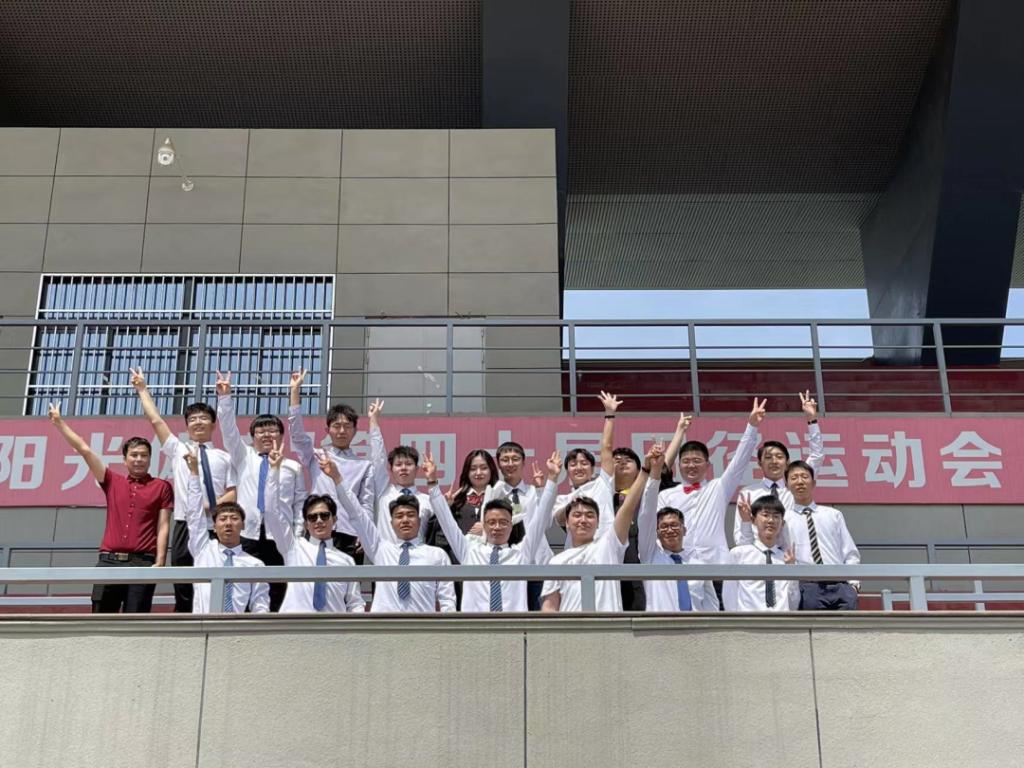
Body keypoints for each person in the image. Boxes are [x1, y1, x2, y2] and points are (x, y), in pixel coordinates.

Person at [48, 402, 172, 613]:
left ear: (150, 459)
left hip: (143, 563)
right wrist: (59, 423)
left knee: (136, 621)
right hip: (109, 561)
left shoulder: (161, 486)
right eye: (134, 455)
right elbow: (85, 450)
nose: (139, 459)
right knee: (100, 620)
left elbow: (163, 526)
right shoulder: (112, 481)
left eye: (144, 455)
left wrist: (160, 561)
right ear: (125, 460)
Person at [131, 366, 237, 613]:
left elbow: (234, 492)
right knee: (184, 582)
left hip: (216, 526)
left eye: (203, 418)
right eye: (192, 419)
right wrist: (142, 389)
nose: (198, 422)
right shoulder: (178, 449)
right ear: (187, 426)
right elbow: (156, 420)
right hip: (185, 525)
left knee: (216, 581)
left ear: (213, 424)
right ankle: (185, 619)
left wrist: (211, 507)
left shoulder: (225, 457)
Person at [215, 371, 306, 611]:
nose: (267, 435)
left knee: (278, 590)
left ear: (281, 436)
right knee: (244, 588)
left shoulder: (293, 467)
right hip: (248, 534)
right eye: (261, 431)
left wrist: (297, 534)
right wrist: (225, 398)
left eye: (273, 430)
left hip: (281, 537)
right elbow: (228, 430)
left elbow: (299, 504)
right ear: (252, 436)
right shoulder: (243, 457)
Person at [425, 451, 559, 612]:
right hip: (475, 624)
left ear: (511, 526)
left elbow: (541, 517)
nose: (497, 527)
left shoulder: (521, 554)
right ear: (484, 525)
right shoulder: (469, 551)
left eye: (503, 522)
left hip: (512, 625)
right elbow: (446, 521)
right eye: (491, 522)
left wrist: (552, 479)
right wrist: (432, 482)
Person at [540, 444, 662, 613]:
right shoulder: (556, 562)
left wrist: (646, 470)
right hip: (570, 628)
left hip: (608, 627)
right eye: (577, 515)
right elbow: (550, 607)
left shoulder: (609, 546)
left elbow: (628, 506)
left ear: (598, 523)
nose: (583, 520)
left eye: (590, 515)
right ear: (566, 523)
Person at [333, 458, 455, 613]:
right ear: (391, 523)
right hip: (384, 625)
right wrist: (337, 479)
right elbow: (356, 513)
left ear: (419, 520)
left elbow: (447, 600)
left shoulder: (437, 555)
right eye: (399, 516)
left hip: (422, 625)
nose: (405, 520)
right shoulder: (380, 549)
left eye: (410, 515)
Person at [655, 398, 766, 565]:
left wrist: (752, 426)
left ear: (708, 464)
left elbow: (739, 461)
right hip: (678, 565)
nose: (691, 465)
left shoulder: (718, 488)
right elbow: (657, 531)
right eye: (686, 461)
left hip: (716, 565)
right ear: (678, 465)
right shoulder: (666, 496)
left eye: (697, 461)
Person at [262, 442, 364, 613]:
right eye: (312, 517)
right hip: (297, 624)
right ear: (306, 523)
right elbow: (272, 512)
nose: (319, 521)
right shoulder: (293, 547)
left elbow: (355, 603)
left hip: (333, 627)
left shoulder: (346, 561)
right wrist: (274, 470)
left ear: (334, 519)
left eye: (324, 516)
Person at [287, 368, 375, 560]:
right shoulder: (316, 455)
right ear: (328, 430)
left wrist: (365, 532)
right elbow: (297, 435)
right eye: (336, 426)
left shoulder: (364, 465)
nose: (342, 431)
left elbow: (366, 503)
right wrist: (295, 392)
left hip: (350, 533)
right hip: (317, 528)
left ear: (355, 430)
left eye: (347, 426)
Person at [183, 448, 269, 614]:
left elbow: (260, 604)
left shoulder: (254, 564)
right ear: (214, 527)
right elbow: (194, 515)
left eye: (234, 518)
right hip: (204, 624)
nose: (228, 523)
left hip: (237, 626)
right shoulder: (203, 550)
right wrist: (194, 473)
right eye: (222, 519)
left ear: (243, 525)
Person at [733, 391, 824, 548]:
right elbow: (740, 536)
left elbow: (817, 456)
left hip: (793, 556)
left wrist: (812, 420)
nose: (774, 461)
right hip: (758, 557)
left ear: (787, 462)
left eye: (779, 457)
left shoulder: (795, 488)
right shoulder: (748, 493)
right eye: (768, 457)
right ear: (759, 463)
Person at [637, 446, 718, 611]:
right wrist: (655, 472)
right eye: (664, 527)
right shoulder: (651, 556)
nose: (669, 530)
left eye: (674, 525)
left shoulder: (698, 564)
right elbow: (647, 514)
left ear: (684, 530)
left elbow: (711, 604)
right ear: (656, 532)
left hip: (696, 625)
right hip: (660, 625)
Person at [484, 440, 552, 610]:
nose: (510, 463)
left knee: (538, 614)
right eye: (505, 459)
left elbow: (547, 522)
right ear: (498, 464)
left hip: (537, 563)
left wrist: (541, 490)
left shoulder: (534, 491)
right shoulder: (494, 493)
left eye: (515, 459)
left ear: (523, 462)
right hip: (507, 564)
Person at [785, 460, 861, 610]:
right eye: (794, 478)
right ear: (787, 485)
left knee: (848, 626)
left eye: (804, 477)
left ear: (813, 483)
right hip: (808, 588)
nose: (800, 482)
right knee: (814, 626)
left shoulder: (833, 515)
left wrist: (853, 586)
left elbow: (850, 552)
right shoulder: (784, 520)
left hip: (841, 587)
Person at [598, 390, 645, 611]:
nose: (622, 463)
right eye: (617, 460)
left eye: (628, 460)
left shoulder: (647, 495)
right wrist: (609, 414)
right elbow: (606, 449)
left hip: (639, 566)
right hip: (608, 565)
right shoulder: (601, 495)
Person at [365, 401, 433, 545]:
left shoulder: (428, 501)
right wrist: (373, 421)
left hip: (418, 556)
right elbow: (378, 458)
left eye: (408, 464)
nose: (403, 468)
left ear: (417, 469)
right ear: (391, 469)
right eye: (398, 464)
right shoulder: (383, 492)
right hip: (387, 556)